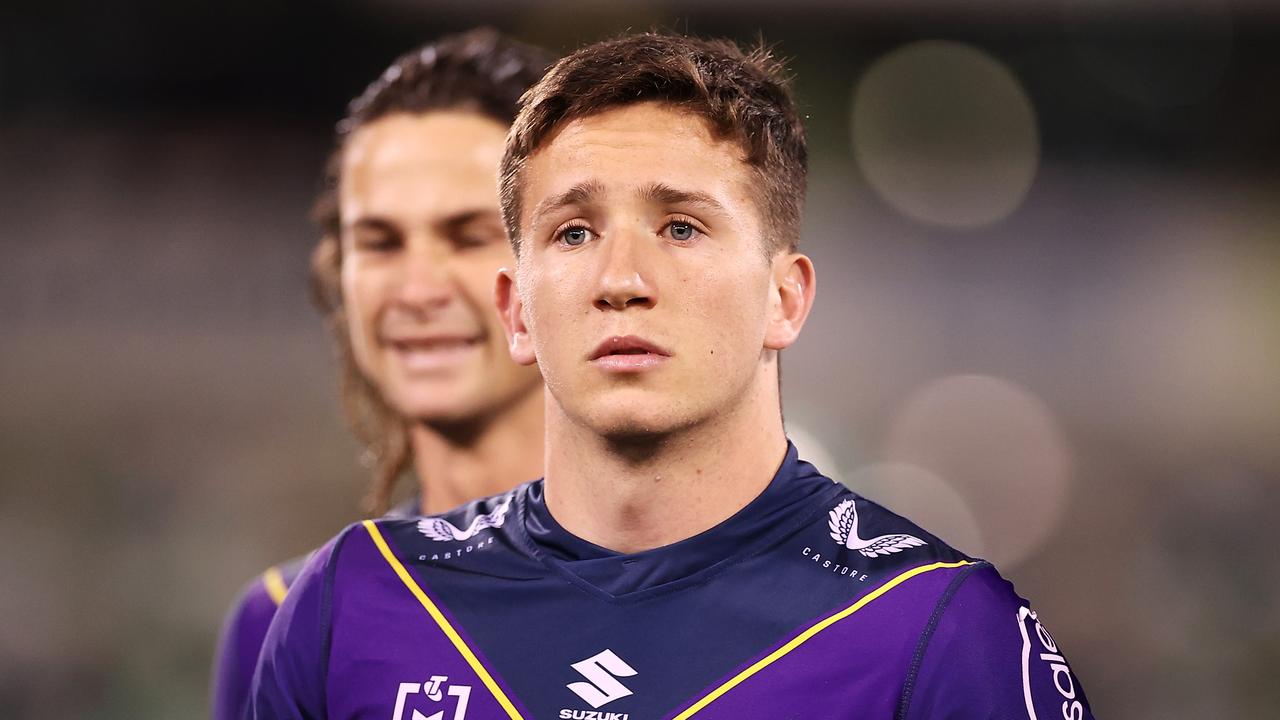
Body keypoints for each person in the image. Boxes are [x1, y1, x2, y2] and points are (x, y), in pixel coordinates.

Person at [250, 32, 1094, 720]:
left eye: (681, 227)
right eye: (574, 233)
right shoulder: (355, 603)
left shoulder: (934, 635)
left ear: (785, 298)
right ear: (515, 311)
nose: (622, 278)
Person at [210, 29, 555, 720]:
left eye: (469, 234)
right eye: (380, 242)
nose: (417, 289)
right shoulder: (287, 622)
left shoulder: (759, 612)